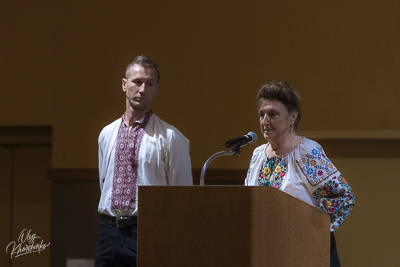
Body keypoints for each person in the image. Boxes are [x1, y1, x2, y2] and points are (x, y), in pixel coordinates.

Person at [245, 81, 355, 267]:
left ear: (292, 117)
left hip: (305, 252)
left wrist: (311, 229)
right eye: (262, 114)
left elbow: (343, 197)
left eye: (273, 114)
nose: (265, 121)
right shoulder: (258, 156)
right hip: (267, 251)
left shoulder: (307, 153)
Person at [96, 55, 193, 266]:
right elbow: (104, 182)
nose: (142, 89)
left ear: (156, 89)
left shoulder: (170, 137)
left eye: (150, 84)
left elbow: (182, 195)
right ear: (124, 84)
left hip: (148, 229)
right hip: (108, 229)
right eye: (137, 82)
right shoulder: (106, 134)